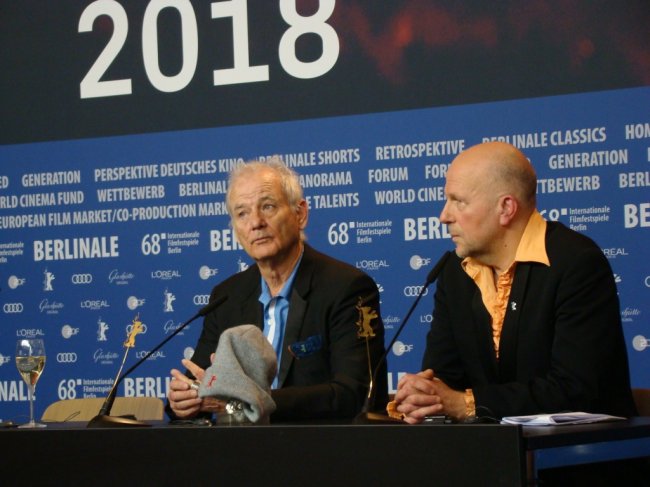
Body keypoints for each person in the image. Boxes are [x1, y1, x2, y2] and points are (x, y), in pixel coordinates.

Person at [392, 141, 636, 424]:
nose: (444, 216)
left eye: (459, 202)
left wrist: (466, 403)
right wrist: (424, 396)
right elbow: (445, 378)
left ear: (506, 208)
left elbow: (575, 389)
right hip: (490, 448)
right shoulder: (455, 273)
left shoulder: (576, 263)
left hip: (582, 448)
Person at [167, 159, 387, 421]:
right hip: (239, 444)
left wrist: (250, 401)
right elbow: (199, 382)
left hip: (318, 442)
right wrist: (185, 400)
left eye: (268, 207)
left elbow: (355, 394)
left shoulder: (346, 288)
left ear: (300, 214)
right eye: (242, 213)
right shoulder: (226, 297)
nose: (256, 222)